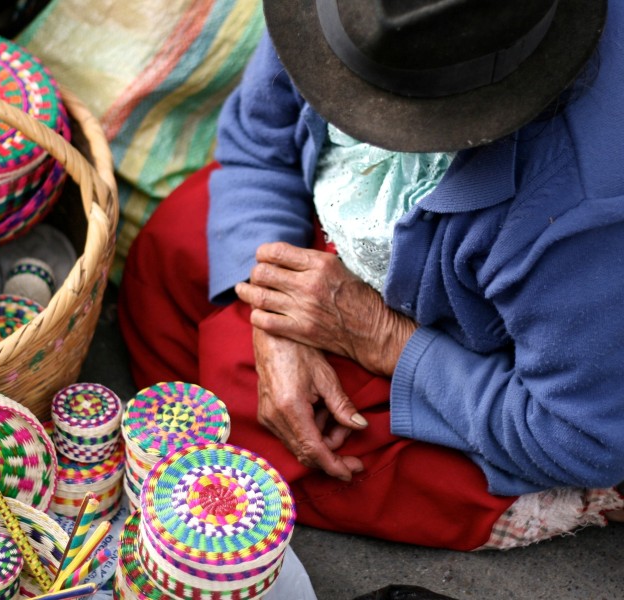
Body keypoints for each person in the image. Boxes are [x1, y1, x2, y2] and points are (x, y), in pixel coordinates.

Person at [119, 0, 624, 550]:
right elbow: (259, 141)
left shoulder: (577, 205)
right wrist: (275, 316)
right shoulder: (340, 17)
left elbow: (581, 433)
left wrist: (383, 337)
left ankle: (544, 500)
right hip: (353, 267)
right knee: (174, 247)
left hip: (512, 353)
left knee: (293, 442)